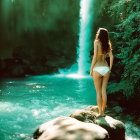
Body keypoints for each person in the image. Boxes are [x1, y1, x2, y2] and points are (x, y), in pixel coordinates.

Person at [90, 28, 114, 117]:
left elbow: (95, 56)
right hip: (106, 68)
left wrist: (91, 68)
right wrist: (110, 68)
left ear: (99, 34)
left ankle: (100, 113)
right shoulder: (108, 44)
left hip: (97, 68)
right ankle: (103, 111)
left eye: (98, 32)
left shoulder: (96, 42)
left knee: (98, 92)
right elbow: (111, 56)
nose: (97, 33)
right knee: (104, 91)